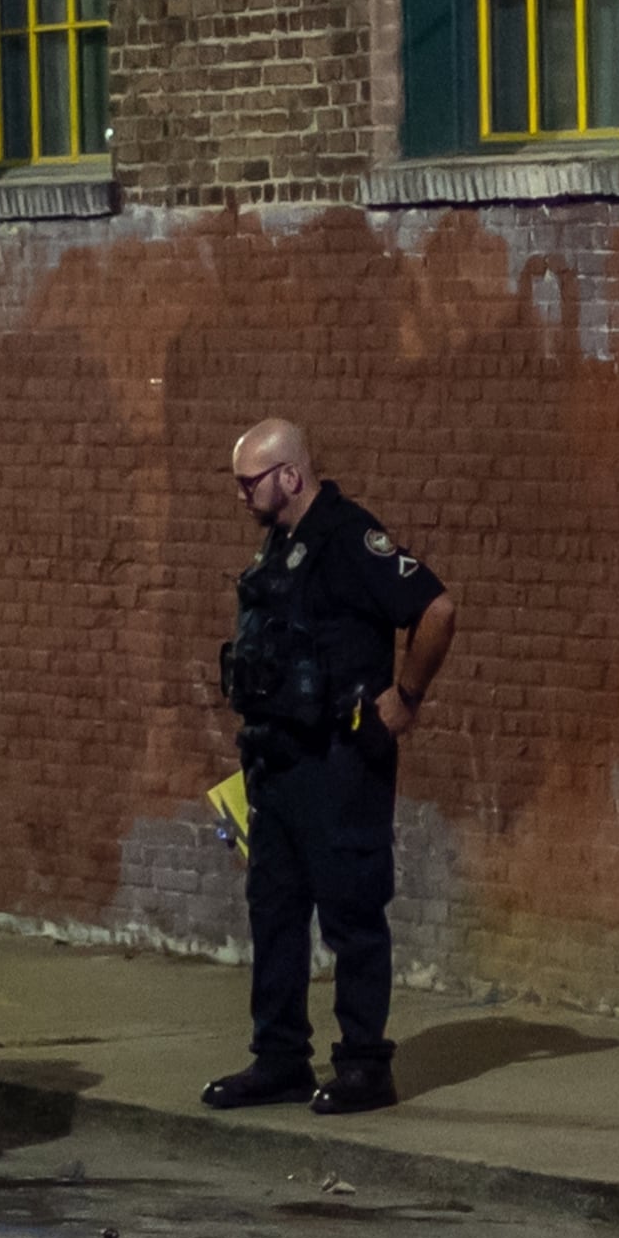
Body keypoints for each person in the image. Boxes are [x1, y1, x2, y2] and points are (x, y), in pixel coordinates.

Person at [206, 418, 457, 1116]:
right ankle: (279, 1058)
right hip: (280, 761)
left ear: (289, 474)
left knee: (351, 911)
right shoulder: (281, 544)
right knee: (275, 911)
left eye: (248, 482)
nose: (240, 497)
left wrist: (405, 698)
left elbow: (436, 607)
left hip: (342, 760)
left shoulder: (350, 538)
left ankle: (364, 1066)